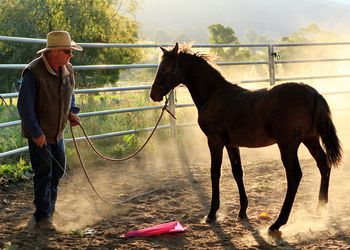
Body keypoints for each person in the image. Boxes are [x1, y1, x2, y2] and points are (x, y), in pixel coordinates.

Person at [17, 31, 82, 231]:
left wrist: (71, 112)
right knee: (44, 172)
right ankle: (42, 215)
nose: (70, 55)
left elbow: (70, 94)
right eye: (67, 51)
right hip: (41, 133)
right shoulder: (33, 71)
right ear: (53, 52)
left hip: (58, 132)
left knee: (58, 170)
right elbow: (24, 107)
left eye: (71, 51)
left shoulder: (68, 69)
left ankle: (50, 209)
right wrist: (36, 133)